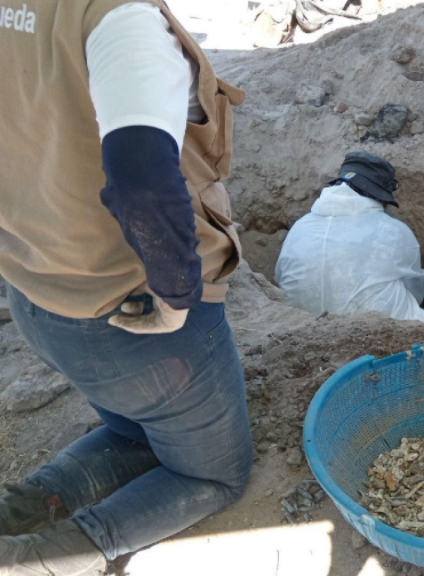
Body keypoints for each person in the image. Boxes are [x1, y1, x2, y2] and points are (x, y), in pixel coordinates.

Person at [0, 1, 253, 574]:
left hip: (37, 292)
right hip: (128, 313)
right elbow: (141, 183)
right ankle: (29, 560)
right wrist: (175, 293)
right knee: (213, 473)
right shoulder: (118, 18)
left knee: (134, 428)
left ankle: (18, 511)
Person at [275, 152, 424, 331]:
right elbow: (415, 294)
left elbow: (282, 282)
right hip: (386, 333)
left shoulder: (300, 227)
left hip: (306, 332)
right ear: (379, 196)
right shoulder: (391, 230)